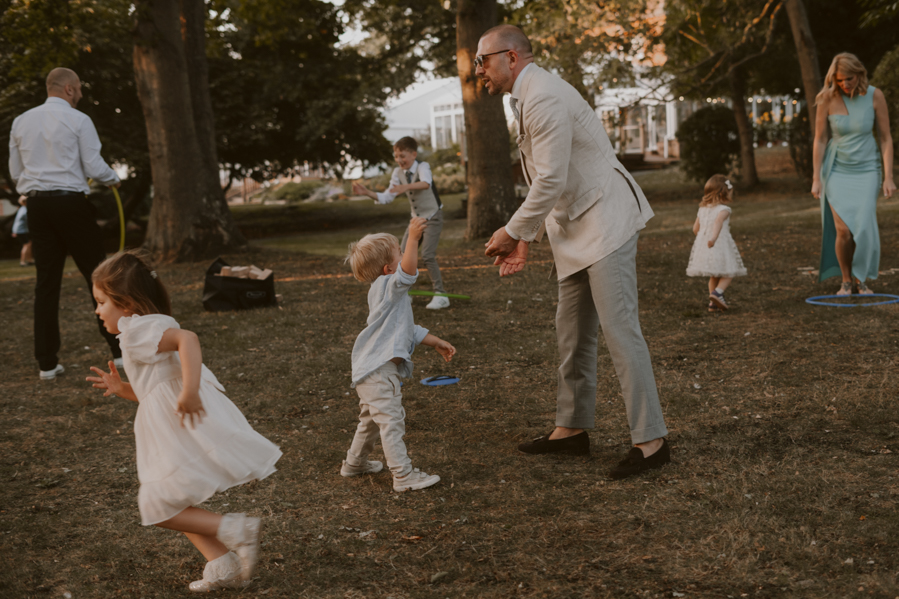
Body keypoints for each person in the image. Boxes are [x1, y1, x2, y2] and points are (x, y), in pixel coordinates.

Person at [478, 25, 670, 479]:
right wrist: (528, 239)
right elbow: (548, 177)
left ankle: (651, 441)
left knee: (620, 332)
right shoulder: (526, 94)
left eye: (482, 60)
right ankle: (572, 429)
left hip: (605, 220)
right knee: (572, 333)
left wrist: (513, 231)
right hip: (575, 226)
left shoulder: (543, 95)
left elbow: (551, 179)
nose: (478, 70)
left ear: (510, 56)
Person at [85, 252, 282, 592]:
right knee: (170, 499)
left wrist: (190, 391)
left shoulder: (135, 331)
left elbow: (188, 339)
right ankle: (223, 564)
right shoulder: (149, 325)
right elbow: (154, 390)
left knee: (158, 506)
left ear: (126, 303)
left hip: (174, 424)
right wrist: (122, 388)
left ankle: (236, 529)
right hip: (169, 420)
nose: (97, 310)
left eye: (101, 302)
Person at [8, 67, 124, 380]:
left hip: (37, 206)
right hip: (71, 204)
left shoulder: (21, 121)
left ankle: (47, 363)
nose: (81, 95)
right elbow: (94, 165)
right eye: (80, 89)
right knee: (98, 276)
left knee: (46, 282)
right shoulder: (78, 119)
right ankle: (119, 350)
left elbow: (16, 172)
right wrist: (113, 178)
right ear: (69, 89)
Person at [342, 217, 456, 492]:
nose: (405, 255)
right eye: (400, 253)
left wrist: (435, 341)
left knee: (370, 422)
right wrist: (414, 238)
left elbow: (406, 329)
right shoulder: (388, 285)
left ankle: (354, 463)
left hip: (370, 370)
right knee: (391, 423)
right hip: (380, 372)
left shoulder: (384, 293)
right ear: (389, 269)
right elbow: (408, 273)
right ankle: (403, 475)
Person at [811, 52, 895, 295]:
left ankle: (861, 278)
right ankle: (847, 280)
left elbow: (886, 138)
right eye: (839, 80)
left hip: (867, 168)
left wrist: (889, 176)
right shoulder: (826, 99)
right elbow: (820, 139)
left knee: (864, 227)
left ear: (859, 74)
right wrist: (816, 177)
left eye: (849, 78)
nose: (844, 84)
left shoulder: (875, 95)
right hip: (836, 168)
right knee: (844, 230)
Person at [352, 137, 451, 310]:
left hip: (433, 216)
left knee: (427, 255)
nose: (399, 160)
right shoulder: (397, 173)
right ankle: (404, 293)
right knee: (403, 255)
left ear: (413, 154)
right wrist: (367, 192)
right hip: (416, 219)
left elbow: (426, 183)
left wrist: (405, 187)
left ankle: (441, 295)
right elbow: (387, 197)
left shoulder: (423, 166)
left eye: (402, 156)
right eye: (396, 156)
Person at [686, 175, 747, 312]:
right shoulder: (724, 209)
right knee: (729, 271)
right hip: (720, 245)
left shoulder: (702, 209)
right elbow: (718, 222)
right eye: (730, 192)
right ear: (723, 193)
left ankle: (713, 304)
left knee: (714, 275)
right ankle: (717, 293)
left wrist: (704, 239)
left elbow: (695, 229)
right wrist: (713, 238)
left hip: (707, 247)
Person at [12, 197, 34, 267]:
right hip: (22, 231)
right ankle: (22, 262)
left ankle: (29, 260)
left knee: (29, 244)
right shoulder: (24, 211)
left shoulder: (22, 209)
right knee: (26, 245)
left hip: (23, 230)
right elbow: (29, 220)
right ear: (24, 202)